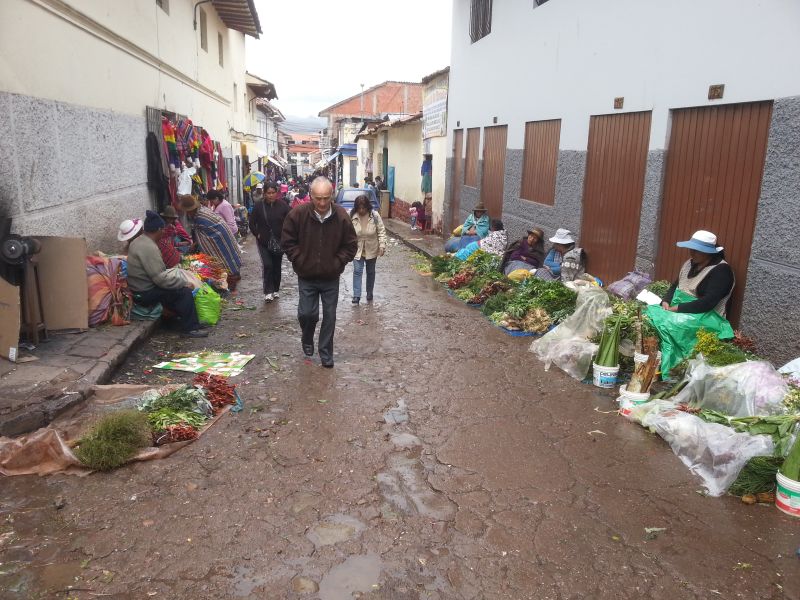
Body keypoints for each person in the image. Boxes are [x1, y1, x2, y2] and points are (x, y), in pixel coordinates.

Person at [282, 176, 358, 368]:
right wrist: (300, 260)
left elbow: (350, 245)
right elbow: (288, 241)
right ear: (310, 196)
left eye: (326, 198)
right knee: (307, 314)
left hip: (331, 277)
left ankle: (326, 353)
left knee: (330, 316)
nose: (322, 203)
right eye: (318, 198)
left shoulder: (341, 216)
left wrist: (337, 262)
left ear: (331, 196)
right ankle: (307, 337)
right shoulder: (298, 214)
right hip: (306, 275)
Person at [126, 210, 207, 338]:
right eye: (163, 230)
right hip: (143, 293)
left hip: (141, 288)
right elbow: (161, 279)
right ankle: (190, 328)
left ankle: (179, 321)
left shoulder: (139, 241)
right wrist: (184, 283)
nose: (164, 232)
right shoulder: (148, 247)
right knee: (183, 292)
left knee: (175, 287)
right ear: (158, 229)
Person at [661, 230, 735, 316]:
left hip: (706, 318)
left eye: (697, 250)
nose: (692, 253)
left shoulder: (722, 271)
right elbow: (675, 286)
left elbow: (708, 302)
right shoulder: (689, 263)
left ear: (708, 252)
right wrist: (666, 301)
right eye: (691, 249)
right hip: (679, 312)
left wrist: (678, 308)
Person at [179, 194, 242, 291]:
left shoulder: (200, 216)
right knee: (227, 255)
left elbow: (203, 237)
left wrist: (196, 244)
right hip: (222, 234)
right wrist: (195, 244)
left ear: (190, 210)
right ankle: (232, 277)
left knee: (221, 256)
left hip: (218, 237)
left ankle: (231, 281)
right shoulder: (202, 210)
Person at [249, 181, 290, 302]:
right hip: (264, 242)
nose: (271, 195)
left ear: (276, 193)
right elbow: (251, 223)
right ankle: (268, 291)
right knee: (268, 265)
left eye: (273, 193)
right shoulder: (258, 206)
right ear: (264, 193)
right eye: (268, 193)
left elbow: (291, 219)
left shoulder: (283, 206)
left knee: (277, 266)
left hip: (279, 242)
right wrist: (258, 234)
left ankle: (276, 289)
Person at [350, 194, 387, 304]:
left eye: (364, 208)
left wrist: (382, 246)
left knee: (370, 272)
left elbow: (381, 231)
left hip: (372, 248)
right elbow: (346, 233)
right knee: (357, 271)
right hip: (357, 249)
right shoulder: (352, 216)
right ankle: (356, 295)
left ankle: (369, 292)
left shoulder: (375, 216)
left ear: (368, 207)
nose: (361, 210)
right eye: (359, 208)